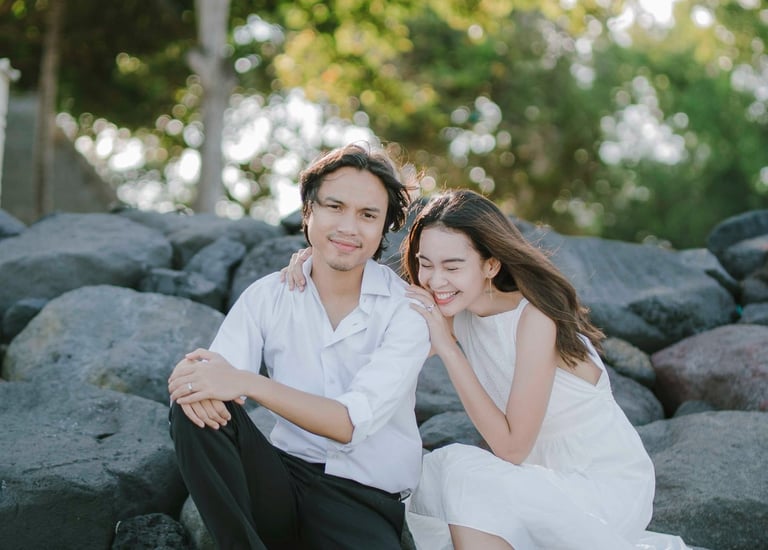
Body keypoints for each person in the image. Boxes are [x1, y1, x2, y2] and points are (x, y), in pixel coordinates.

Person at [282, 189, 690, 549]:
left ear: (491, 266)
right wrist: (316, 264)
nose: (435, 280)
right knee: (427, 477)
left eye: (453, 266)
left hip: (604, 488)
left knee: (459, 467)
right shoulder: (454, 308)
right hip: (538, 481)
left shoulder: (534, 319)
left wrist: (447, 347)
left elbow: (512, 449)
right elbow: (367, 347)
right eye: (426, 264)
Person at [167, 143, 431, 550]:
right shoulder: (267, 296)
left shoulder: (407, 311)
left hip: (362, 499)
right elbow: (212, 375)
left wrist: (245, 382)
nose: (348, 226)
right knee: (192, 409)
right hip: (280, 480)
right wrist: (190, 380)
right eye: (334, 207)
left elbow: (349, 424)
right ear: (309, 212)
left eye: (367, 215)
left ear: (383, 228)